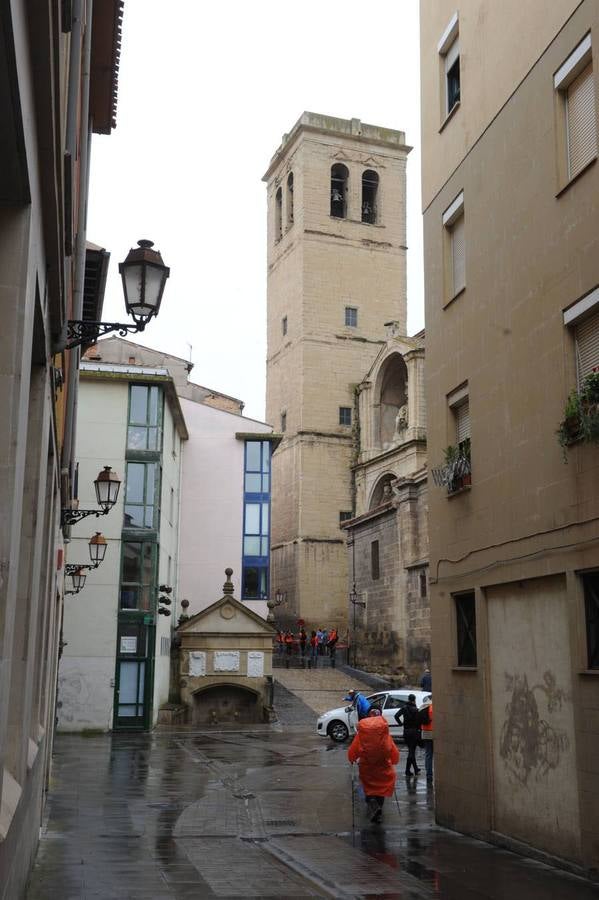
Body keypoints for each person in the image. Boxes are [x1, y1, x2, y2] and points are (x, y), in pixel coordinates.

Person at [347, 709, 400, 823]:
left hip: (366, 767)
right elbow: (392, 748)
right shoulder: (384, 733)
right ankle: (379, 811)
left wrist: (351, 758)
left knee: (369, 789)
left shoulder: (363, 733)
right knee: (381, 790)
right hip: (383, 765)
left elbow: (354, 748)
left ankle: (372, 804)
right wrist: (395, 760)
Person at [394, 693, 421, 776]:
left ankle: (415, 769)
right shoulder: (416, 710)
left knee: (411, 750)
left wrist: (400, 723)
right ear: (414, 700)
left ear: (408, 699)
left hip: (406, 731)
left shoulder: (404, 708)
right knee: (411, 752)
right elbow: (418, 722)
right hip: (414, 732)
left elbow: (396, 716)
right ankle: (407, 770)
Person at [420, 697, 434, 783]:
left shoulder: (423, 707)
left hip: (425, 732)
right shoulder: (433, 707)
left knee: (428, 754)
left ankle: (429, 775)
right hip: (433, 732)